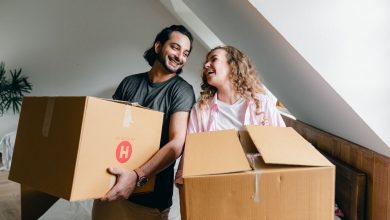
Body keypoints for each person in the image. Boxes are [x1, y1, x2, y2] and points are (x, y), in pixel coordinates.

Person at [92, 25, 196, 220]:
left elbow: (176, 144)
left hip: (149, 202)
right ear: (158, 46)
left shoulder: (182, 91)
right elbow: (110, 132)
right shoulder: (129, 83)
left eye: (185, 53)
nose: (180, 56)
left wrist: (137, 176)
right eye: (175, 47)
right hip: (112, 190)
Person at [175, 45, 285, 184]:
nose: (206, 65)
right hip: (217, 187)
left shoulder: (262, 104)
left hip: (260, 185)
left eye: (213, 59)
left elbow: (284, 147)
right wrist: (181, 178)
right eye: (206, 62)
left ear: (233, 66)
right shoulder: (201, 110)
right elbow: (191, 154)